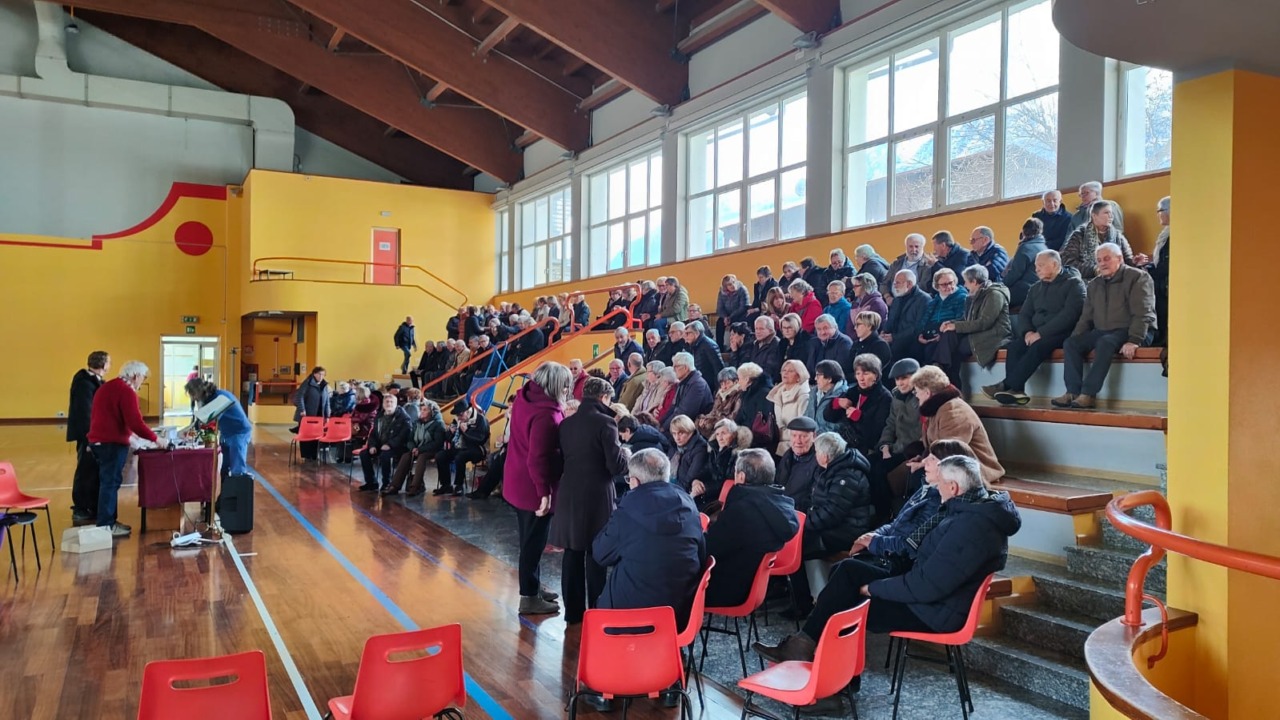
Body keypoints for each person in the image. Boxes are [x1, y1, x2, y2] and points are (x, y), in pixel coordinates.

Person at [755, 455, 1020, 662]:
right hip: (929, 593)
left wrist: (873, 588)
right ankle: (803, 647)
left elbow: (926, 586)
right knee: (847, 570)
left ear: (953, 486)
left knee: (845, 605)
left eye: (939, 485)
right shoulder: (969, 511)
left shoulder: (970, 527)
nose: (936, 490)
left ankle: (832, 683)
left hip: (934, 611)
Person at [550, 377, 629, 624]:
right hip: (598, 493)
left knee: (572, 552)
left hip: (570, 491)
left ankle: (573, 613)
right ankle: (595, 610)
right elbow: (615, 466)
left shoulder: (567, 423)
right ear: (604, 397)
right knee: (597, 554)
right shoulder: (606, 422)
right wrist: (625, 454)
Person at [1054, 243, 1156, 410]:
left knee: (1105, 342)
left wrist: (1134, 340)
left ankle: (1088, 394)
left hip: (1133, 329)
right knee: (1070, 344)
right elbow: (1086, 317)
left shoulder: (1138, 277)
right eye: (1099, 260)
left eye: (1107, 259)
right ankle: (1072, 392)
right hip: (1104, 331)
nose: (1102, 263)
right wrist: (1075, 337)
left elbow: (1144, 313)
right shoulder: (1094, 284)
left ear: (1120, 259)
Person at [786, 432, 875, 619]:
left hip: (847, 531)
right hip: (831, 527)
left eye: (817, 451)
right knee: (792, 543)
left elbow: (832, 513)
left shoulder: (847, 475)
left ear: (825, 455)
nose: (815, 454)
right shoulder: (831, 469)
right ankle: (804, 602)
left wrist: (804, 525)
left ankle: (806, 605)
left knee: (797, 548)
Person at [503, 362, 569, 615]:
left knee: (528, 539)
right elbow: (538, 458)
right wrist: (544, 493)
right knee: (533, 543)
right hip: (533, 487)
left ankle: (533, 584)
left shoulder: (525, 397)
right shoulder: (546, 415)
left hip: (517, 479)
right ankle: (528, 597)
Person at [985, 250, 1086, 405]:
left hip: (1062, 332)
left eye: (1041, 265)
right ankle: (1017, 390)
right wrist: (1027, 332)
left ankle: (1006, 384)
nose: (1037, 269)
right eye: (1036, 266)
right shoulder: (1035, 288)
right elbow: (1025, 314)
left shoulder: (1074, 284)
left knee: (1037, 346)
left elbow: (1070, 315)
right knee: (1014, 347)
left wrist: (1041, 333)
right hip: (1035, 333)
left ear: (1054, 264)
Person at [705, 449, 798, 607]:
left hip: (726, 589)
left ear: (741, 476)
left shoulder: (742, 510)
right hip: (753, 588)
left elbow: (708, 549)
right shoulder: (781, 505)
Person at [88, 361, 169, 537]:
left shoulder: (109, 386)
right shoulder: (126, 391)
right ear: (135, 376)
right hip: (110, 444)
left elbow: (118, 419)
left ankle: (108, 522)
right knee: (110, 484)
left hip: (101, 441)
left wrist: (134, 437)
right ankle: (106, 525)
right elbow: (135, 423)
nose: (143, 381)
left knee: (109, 483)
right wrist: (156, 439)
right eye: (143, 377)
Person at [908, 366, 1004, 487]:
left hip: (973, 469)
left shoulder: (953, 411)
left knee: (917, 477)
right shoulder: (937, 408)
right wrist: (921, 458)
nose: (916, 395)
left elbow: (949, 450)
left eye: (916, 391)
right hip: (949, 465)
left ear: (927, 393)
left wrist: (923, 463)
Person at [934, 264, 1010, 388]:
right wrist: (951, 323)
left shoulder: (995, 294)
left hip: (993, 334)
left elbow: (985, 322)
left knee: (953, 354)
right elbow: (967, 319)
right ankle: (941, 369)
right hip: (977, 333)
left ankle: (943, 373)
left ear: (974, 282)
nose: (964, 286)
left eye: (966, 282)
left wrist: (956, 326)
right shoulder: (972, 296)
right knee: (949, 335)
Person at [873, 359, 923, 518]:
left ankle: (888, 514)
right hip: (896, 446)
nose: (900, 383)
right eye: (897, 379)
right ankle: (882, 512)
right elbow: (890, 423)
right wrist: (885, 445)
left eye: (905, 378)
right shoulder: (896, 395)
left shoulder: (923, 396)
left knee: (879, 472)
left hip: (913, 449)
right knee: (869, 464)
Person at [68, 350, 109, 523]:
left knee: (93, 471)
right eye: (109, 362)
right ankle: (80, 507)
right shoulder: (84, 383)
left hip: (95, 433)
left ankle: (91, 504)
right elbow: (85, 412)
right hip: (89, 434)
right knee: (85, 471)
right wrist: (90, 437)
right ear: (103, 364)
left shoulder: (93, 381)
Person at [826, 354, 893, 457]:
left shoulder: (885, 397)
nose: (861, 378)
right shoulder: (852, 392)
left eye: (865, 373)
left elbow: (878, 432)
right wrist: (836, 403)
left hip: (866, 449)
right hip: (845, 443)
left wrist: (859, 417)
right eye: (858, 373)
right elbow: (828, 417)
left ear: (876, 375)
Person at [185, 378, 253, 477]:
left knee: (237, 469)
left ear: (199, 391)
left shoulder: (220, 398)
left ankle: (238, 489)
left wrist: (193, 433)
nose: (193, 398)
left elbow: (208, 421)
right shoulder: (209, 399)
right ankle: (224, 490)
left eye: (193, 394)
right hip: (227, 433)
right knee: (223, 467)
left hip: (239, 432)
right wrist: (191, 430)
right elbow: (202, 419)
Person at [384, 399, 446, 497]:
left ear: (432, 412)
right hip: (417, 449)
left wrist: (420, 449)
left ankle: (415, 487)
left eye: (425, 410)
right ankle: (394, 486)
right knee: (406, 456)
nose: (422, 411)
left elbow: (437, 443)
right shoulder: (417, 423)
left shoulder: (438, 424)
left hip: (432, 450)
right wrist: (413, 448)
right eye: (421, 409)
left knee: (421, 458)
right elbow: (410, 439)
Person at [1061, 200, 1136, 280]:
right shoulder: (1079, 235)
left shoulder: (1117, 236)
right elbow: (1069, 263)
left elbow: (1127, 260)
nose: (1111, 216)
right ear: (1094, 216)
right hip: (1087, 281)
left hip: (1115, 280)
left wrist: (1135, 262)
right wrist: (1095, 270)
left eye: (1111, 213)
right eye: (1106, 213)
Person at [359, 393, 413, 493]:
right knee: (364, 454)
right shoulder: (379, 416)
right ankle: (371, 482)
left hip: (398, 446)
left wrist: (390, 445)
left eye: (392, 402)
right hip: (380, 444)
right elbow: (373, 434)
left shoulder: (404, 418)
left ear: (396, 404)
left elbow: (403, 435)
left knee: (385, 456)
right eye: (387, 402)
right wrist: (372, 445)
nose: (389, 404)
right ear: (383, 404)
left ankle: (386, 483)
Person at [434, 403, 490, 496]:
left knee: (460, 457)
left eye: (460, 415)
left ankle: (459, 485)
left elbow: (480, 440)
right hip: (459, 447)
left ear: (468, 412)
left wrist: (465, 432)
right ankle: (446, 485)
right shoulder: (457, 420)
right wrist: (450, 432)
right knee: (440, 456)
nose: (458, 418)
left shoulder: (480, 420)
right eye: (457, 415)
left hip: (477, 449)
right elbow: (448, 439)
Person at [915, 269, 968, 364]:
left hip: (947, 332)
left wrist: (941, 333)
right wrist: (921, 335)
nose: (948, 286)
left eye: (951, 283)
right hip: (931, 331)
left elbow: (960, 318)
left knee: (933, 347)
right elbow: (924, 320)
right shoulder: (933, 302)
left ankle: (938, 369)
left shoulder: (962, 298)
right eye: (944, 284)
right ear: (937, 286)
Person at [882, 270, 930, 362]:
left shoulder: (924, 300)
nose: (894, 285)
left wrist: (895, 338)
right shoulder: (897, 299)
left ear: (909, 284)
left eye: (898, 283)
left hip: (911, 343)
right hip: (894, 341)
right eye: (894, 282)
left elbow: (918, 327)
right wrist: (884, 332)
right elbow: (890, 320)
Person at [767, 360, 811, 457]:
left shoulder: (803, 396)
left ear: (799, 376)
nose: (785, 373)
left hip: (795, 445)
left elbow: (802, 425)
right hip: (778, 443)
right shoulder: (777, 394)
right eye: (784, 370)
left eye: (790, 371)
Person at [775, 416, 819, 511]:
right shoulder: (787, 455)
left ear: (814, 436)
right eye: (794, 436)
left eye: (803, 436)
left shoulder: (818, 461)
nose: (798, 441)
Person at [663, 352, 713, 433]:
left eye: (676, 366)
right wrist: (660, 423)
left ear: (686, 368)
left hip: (693, 427)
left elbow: (685, 412)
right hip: (680, 424)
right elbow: (673, 407)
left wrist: (664, 428)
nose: (673, 369)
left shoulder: (697, 384)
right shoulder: (683, 382)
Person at [1004, 217, 1049, 308]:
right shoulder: (1043, 246)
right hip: (1040, 287)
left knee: (995, 298)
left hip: (1025, 289)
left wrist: (1001, 285)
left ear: (1023, 232)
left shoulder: (1025, 248)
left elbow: (1015, 273)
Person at [668, 415, 711, 505]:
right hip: (670, 487)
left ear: (690, 431)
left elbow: (689, 480)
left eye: (681, 433)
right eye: (674, 433)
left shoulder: (700, 450)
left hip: (683, 493)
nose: (677, 438)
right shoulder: (675, 445)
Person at [733, 362, 776, 450]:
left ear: (746, 379)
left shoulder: (764, 393)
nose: (738, 382)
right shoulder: (747, 392)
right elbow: (741, 415)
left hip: (758, 439)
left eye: (739, 379)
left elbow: (761, 420)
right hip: (747, 431)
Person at [1146, 196, 1171, 348]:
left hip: (1166, 285)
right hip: (1159, 281)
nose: (1158, 214)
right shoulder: (1165, 233)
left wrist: (1150, 272)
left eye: (1160, 210)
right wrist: (1148, 265)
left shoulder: (1176, 234)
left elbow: (1168, 263)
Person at [885, 234, 937, 304]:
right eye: (910, 246)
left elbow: (924, 286)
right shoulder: (896, 264)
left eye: (916, 247)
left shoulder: (928, 265)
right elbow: (884, 283)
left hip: (915, 303)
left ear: (922, 247)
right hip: (893, 303)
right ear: (906, 246)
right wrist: (887, 297)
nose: (913, 250)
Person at [292, 367, 330, 461]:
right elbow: (299, 397)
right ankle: (306, 455)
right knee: (306, 435)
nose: (321, 376)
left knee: (316, 435)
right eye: (319, 374)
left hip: (319, 414)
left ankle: (314, 455)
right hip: (307, 414)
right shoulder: (307, 383)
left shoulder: (324, 385)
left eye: (323, 374)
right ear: (314, 374)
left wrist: (328, 415)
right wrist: (302, 409)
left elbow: (327, 401)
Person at [696, 367, 743, 437]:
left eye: (727, 383)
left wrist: (713, 422)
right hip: (716, 425)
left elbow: (733, 416)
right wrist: (705, 420)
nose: (724, 387)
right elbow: (713, 412)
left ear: (736, 381)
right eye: (722, 384)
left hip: (728, 427)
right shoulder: (719, 395)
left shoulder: (739, 395)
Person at [806, 360, 848, 436]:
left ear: (829, 379)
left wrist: (818, 434)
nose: (815, 378)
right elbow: (806, 416)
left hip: (828, 440)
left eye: (818, 375)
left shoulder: (844, 395)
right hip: (810, 438)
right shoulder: (813, 393)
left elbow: (841, 426)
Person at [807, 314, 853, 379]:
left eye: (825, 328)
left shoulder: (844, 342)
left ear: (835, 327)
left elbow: (839, 370)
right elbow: (810, 367)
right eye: (819, 329)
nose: (822, 332)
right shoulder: (814, 342)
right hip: (816, 382)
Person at [745, 315, 784, 383]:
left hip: (765, 383)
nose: (757, 332)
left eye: (761, 329)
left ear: (770, 330)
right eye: (756, 329)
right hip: (753, 380)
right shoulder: (755, 343)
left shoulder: (776, 344)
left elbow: (770, 370)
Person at [715, 274, 751, 347]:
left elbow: (743, 306)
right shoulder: (722, 293)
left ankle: (736, 346)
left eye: (734, 282)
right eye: (729, 284)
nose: (733, 285)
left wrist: (730, 317)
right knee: (719, 323)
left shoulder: (742, 290)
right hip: (727, 316)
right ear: (725, 287)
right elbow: (719, 308)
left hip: (740, 314)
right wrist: (725, 317)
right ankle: (720, 347)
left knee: (736, 324)